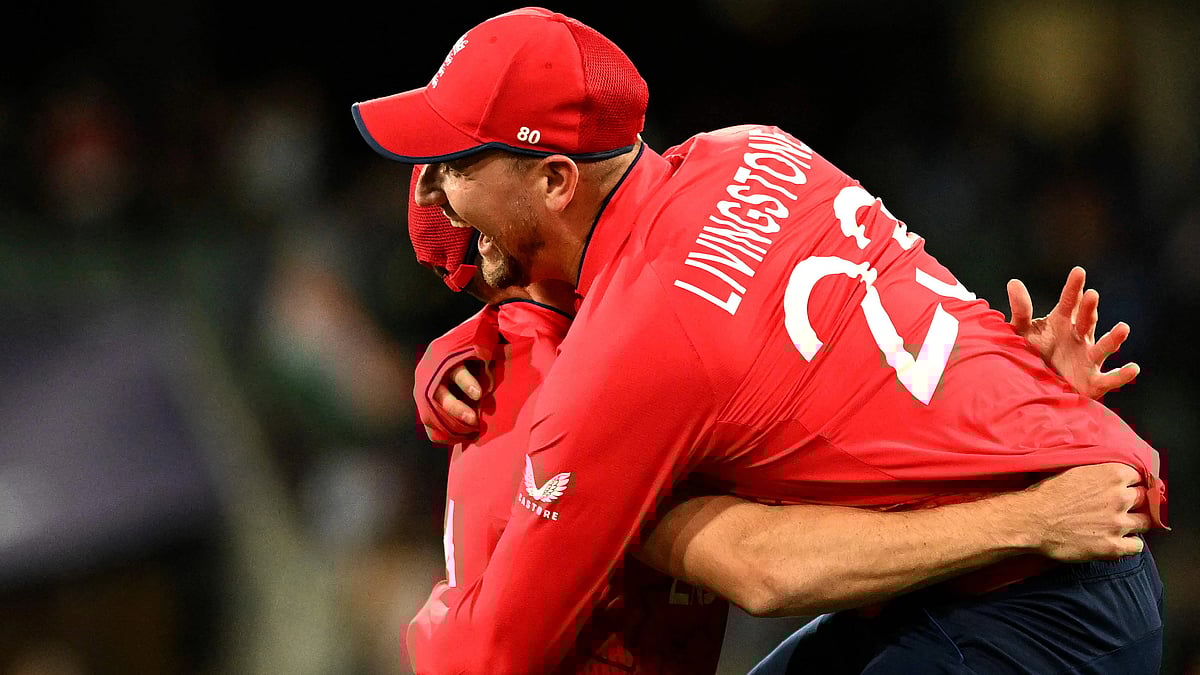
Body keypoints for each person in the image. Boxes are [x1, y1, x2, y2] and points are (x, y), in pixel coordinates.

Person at [351, 8, 1168, 672]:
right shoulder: (751, 147)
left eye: (456, 163)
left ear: (558, 180)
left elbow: (489, 655)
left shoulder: (625, 361)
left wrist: (419, 615)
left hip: (1036, 592)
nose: (437, 189)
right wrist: (1011, 394)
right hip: (1033, 554)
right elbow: (820, 355)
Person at [405, 167, 1151, 675]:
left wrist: (994, 407)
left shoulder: (618, 347)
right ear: (502, 243)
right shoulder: (579, 401)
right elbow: (764, 568)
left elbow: (819, 428)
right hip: (1037, 600)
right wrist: (1034, 515)